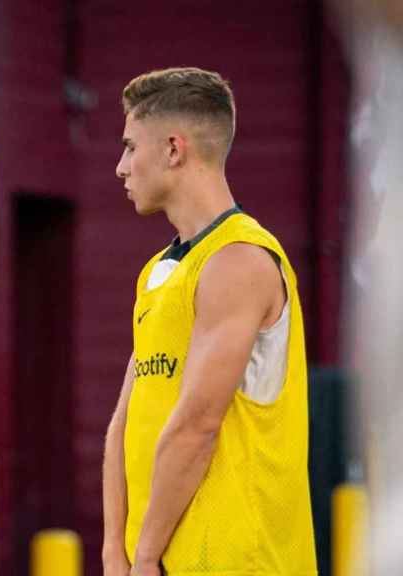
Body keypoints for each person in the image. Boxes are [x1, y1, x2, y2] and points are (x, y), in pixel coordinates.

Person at [101, 67, 317, 576]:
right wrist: (116, 549)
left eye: (132, 147)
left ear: (174, 149)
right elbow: (123, 424)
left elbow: (197, 425)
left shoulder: (240, 259)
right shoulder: (159, 272)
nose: (120, 167)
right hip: (154, 560)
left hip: (241, 560)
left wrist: (146, 554)